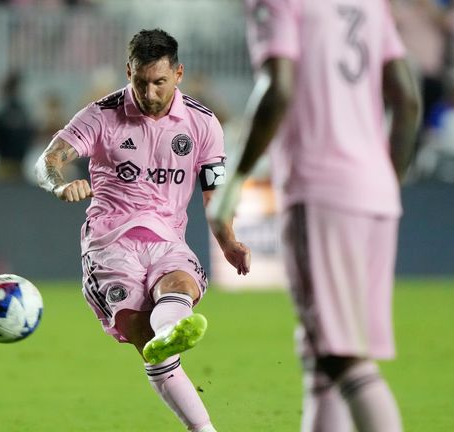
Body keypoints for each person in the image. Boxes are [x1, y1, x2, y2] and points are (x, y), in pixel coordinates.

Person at [207, 1, 421, 432]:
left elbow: (278, 88)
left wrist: (234, 183)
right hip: (376, 192)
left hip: (321, 188)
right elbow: (408, 101)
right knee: (322, 353)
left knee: (344, 359)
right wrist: (383, 181)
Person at [35, 29, 250, 432]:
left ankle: (169, 332)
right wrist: (61, 183)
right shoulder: (101, 114)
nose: (150, 93)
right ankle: (200, 421)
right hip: (109, 244)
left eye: (159, 82)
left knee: (181, 286)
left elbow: (213, 195)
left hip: (167, 238)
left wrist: (228, 242)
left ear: (179, 74)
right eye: (140, 82)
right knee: (141, 334)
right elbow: (46, 161)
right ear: (128, 71)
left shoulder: (203, 124)